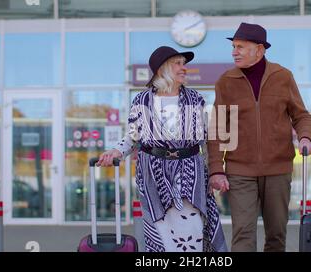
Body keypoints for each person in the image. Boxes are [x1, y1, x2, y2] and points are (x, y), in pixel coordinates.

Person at [97, 46, 227, 252]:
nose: (184, 68)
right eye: (178, 63)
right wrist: (117, 151)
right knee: (162, 237)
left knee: (192, 234)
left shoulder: (196, 100)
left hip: (190, 175)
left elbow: (208, 140)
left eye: (184, 64)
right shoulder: (143, 100)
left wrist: (215, 172)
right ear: (162, 69)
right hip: (153, 177)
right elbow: (133, 136)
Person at [207, 22, 311, 252]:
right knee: (243, 234)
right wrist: (216, 168)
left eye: (240, 47)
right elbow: (216, 128)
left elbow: (301, 115)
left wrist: (305, 137)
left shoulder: (282, 76)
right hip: (239, 171)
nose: (234, 52)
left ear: (260, 49)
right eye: (234, 47)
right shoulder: (226, 82)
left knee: (276, 235)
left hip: (278, 169)